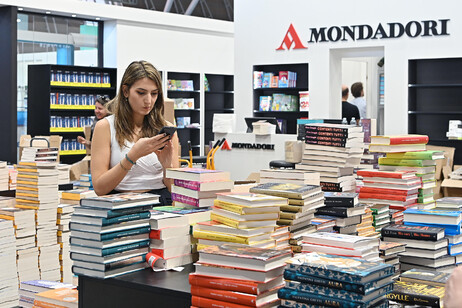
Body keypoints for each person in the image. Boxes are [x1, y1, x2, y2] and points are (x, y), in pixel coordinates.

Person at [91, 60, 180, 205]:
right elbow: (100, 188)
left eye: (154, 94)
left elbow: (175, 189)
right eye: (141, 93)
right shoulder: (105, 127)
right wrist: (132, 156)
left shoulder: (166, 128)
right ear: (125, 91)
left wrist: (167, 166)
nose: (148, 101)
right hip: (120, 205)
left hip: (161, 204)